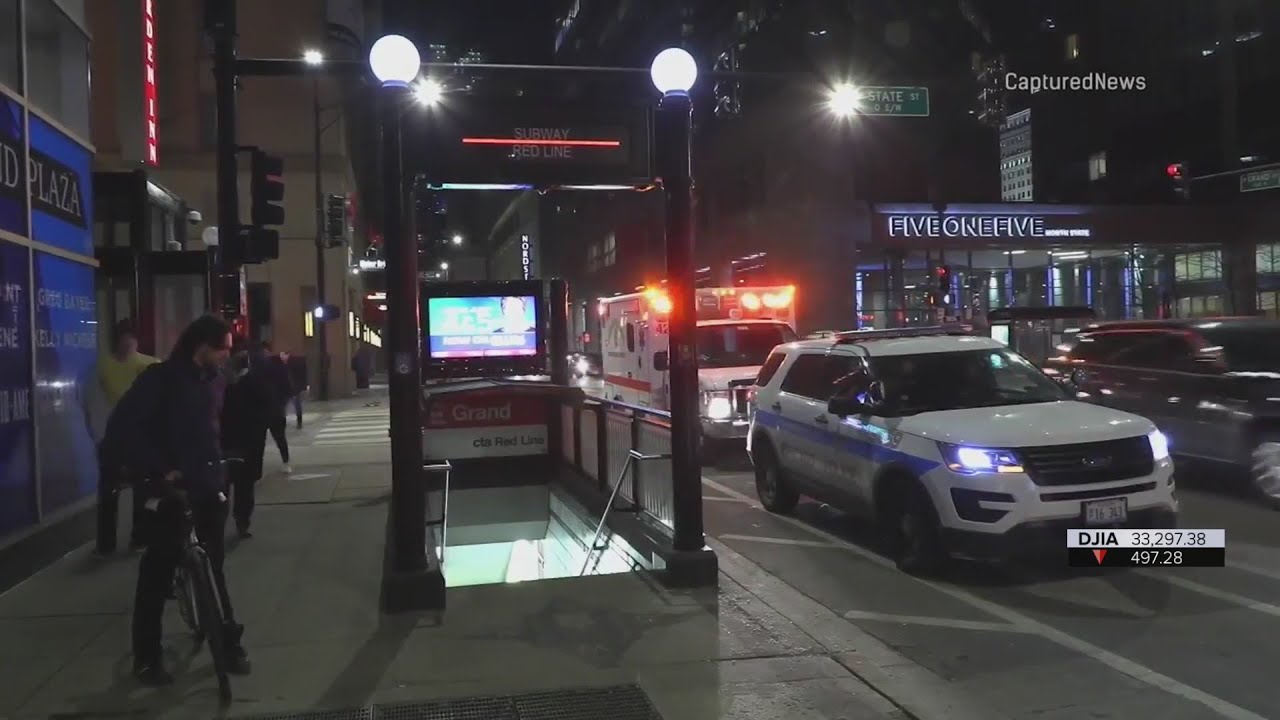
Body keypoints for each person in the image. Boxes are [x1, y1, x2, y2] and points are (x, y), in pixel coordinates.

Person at [99, 314, 251, 685]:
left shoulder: (214, 382)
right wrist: (156, 469)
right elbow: (122, 430)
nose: (226, 356)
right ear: (203, 347)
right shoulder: (160, 380)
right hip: (171, 490)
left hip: (208, 486)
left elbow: (213, 430)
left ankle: (228, 641)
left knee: (214, 567)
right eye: (223, 349)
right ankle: (147, 659)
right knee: (157, 574)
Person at [95, 319, 159, 556]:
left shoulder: (149, 365)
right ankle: (106, 543)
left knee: (141, 487)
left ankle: (139, 537)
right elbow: (95, 399)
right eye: (123, 337)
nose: (127, 342)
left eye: (131, 337)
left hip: (139, 434)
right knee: (109, 489)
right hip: (112, 432)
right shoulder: (104, 366)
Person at [221, 342, 278, 537]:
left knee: (229, 485)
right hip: (244, 443)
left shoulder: (227, 386)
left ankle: (234, 521)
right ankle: (241, 521)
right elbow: (267, 412)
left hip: (232, 443)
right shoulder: (253, 383)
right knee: (242, 487)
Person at [285, 351, 308, 428]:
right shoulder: (288, 365)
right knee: (293, 405)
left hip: (293, 388)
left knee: (296, 405)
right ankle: (298, 422)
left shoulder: (291, 365)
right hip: (291, 388)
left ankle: (299, 422)